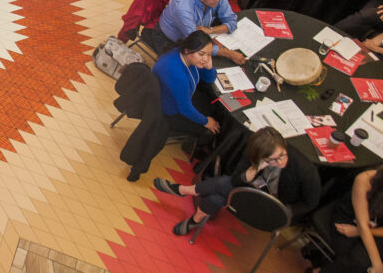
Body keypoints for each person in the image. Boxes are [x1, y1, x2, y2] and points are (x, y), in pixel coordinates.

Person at [153, 128, 320, 237]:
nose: (280, 161)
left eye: (282, 155)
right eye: (273, 159)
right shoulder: (255, 153)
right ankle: (194, 220)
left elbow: (310, 203)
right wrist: (256, 167)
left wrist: (281, 210)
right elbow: (236, 179)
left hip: (271, 207)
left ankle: (183, 191)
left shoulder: (305, 170)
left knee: (223, 185)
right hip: (247, 190)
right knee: (216, 197)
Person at [152, 31, 220, 142]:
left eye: (209, 54)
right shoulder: (176, 73)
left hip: (181, 98)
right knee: (210, 131)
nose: (206, 59)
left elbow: (209, 79)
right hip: (169, 112)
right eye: (202, 54)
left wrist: (209, 68)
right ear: (188, 50)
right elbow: (185, 108)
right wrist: (206, 121)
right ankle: (192, 146)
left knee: (213, 107)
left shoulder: (187, 56)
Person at [314, 168, 383, 273]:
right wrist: (377, 264)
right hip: (348, 219)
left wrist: (358, 231)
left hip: (370, 229)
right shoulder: (364, 180)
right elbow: (363, 225)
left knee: (359, 262)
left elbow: (363, 229)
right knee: (359, 262)